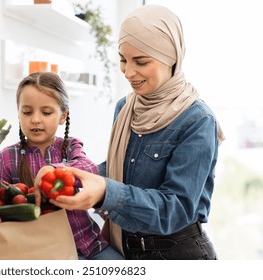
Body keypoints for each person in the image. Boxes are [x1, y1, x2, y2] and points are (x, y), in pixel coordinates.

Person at [35, 5, 225, 260]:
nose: (128, 71)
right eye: (123, 59)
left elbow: (177, 209)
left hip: (177, 255)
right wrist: (67, 173)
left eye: (141, 61)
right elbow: (120, 170)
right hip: (124, 247)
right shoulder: (125, 108)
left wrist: (106, 193)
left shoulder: (198, 120)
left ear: (172, 58)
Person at [0, 71, 124, 260]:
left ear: (63, 116)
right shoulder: (6, 157)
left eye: (46, 112)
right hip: (44, 253)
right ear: (19, 114)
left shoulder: (71, 146)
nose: (36, 119)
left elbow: (88, 167)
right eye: (27, 112)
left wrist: (54, 169)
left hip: (90, 245)